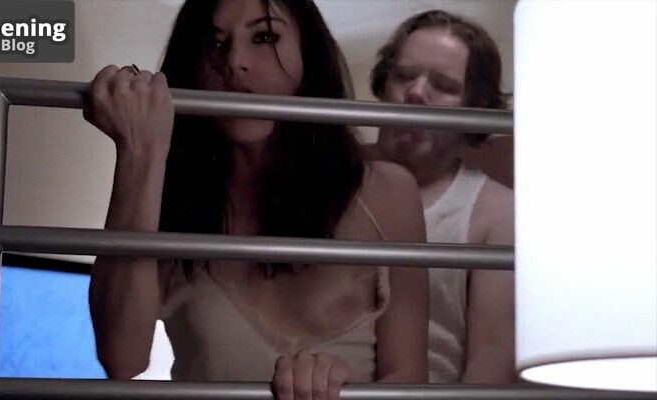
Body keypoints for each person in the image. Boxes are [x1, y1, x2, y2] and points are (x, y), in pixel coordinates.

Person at [84, 0, 430, 398]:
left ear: (308, 55)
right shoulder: (168, 202)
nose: (235, 63)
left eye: (264, 36)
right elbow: (121, 358)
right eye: (215, 43)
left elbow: (408, 374)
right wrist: (139, 152)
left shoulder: (386, 191)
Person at [363, 10, 515, 383]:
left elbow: (489, 366)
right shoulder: (330, 176)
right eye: (403, 76)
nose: (416, 93)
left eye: (443, 85)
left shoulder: (496, 214)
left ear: (474, 110)